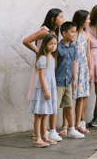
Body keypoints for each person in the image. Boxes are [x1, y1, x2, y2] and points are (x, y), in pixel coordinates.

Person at [22, 9, 63, 142]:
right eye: (60, 17)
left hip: (48, 70)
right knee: (40, 106)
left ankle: (43, 135)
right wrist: (38, 52)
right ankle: (38, 135)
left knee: (45, 107)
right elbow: (26, 41)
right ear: (53, 19)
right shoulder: (45, 31)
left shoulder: (52, 33)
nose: (62, 20)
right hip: (42, 71)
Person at [55, 22, 84, 139]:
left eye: (75, 32)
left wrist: (75, 80)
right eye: (72, 32)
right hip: (58, 81)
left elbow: (74, 63)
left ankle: (72, 129)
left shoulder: (73, 47)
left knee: (69, 106)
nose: (74, 34)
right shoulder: (57, 47)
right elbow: (54, 64)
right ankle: (51, 131)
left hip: (68, 82)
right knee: (54, 107)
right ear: (64, 33)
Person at [29, 34, 58, 147]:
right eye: (50, 44)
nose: (52, 46)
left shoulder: (52, 57)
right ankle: (37, 138)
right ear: (45, 45)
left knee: (45, 113)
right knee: (39, 114)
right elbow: (41, 76)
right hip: (43, 87)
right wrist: (46, 90)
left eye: (54, 44)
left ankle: (44, 136)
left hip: (50, 86)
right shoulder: (43, 58)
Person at [71, 10, 92, 135]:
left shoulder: (86, 35)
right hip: (74, 66)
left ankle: (78, 123)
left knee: (82, 96)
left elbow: (88, 53)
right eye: (87, 19)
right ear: (81, 20)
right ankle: (66, 125)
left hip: (83, 67)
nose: (89, 21)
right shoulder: (73, 34)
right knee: (70, 97)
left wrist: (90, 69)